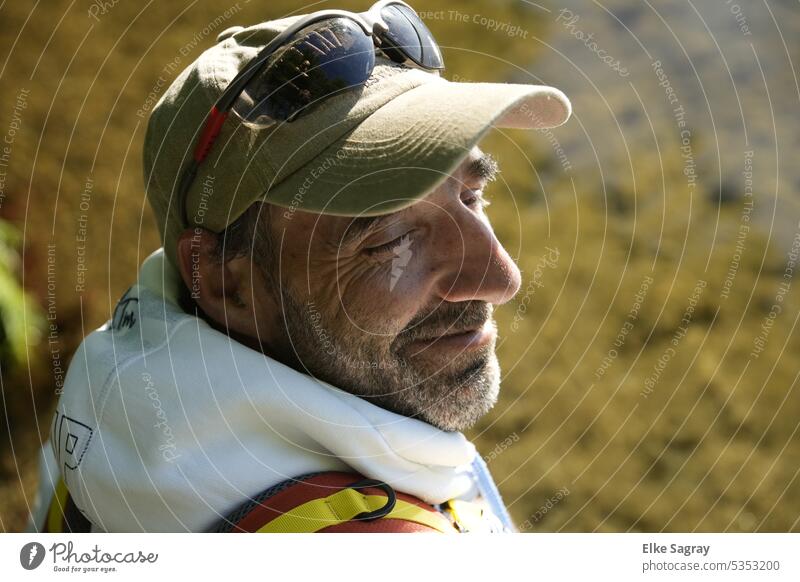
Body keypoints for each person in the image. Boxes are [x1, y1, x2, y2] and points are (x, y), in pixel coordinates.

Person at [28, 1, 571, 533]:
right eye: (390, 240)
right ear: (223, 280)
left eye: (472, 196)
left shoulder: (111, 409)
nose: (502, 279)